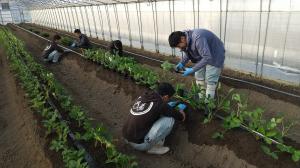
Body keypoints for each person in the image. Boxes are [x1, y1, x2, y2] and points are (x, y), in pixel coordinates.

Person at [168, 29, 225, 112]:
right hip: (203, 55)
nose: (179, 48)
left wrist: (193, 69)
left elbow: (207, 58)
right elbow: (189, 52)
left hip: (215, 54)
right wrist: (182, 63)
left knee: (210, 79)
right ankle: (202, 101)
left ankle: (208, 106)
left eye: (178, 46)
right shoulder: (185, 38)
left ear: (182, 39)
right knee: (199, 76)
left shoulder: (198, 38)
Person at [123, 83, 186, 155]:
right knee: (170, 120)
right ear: (165, 97)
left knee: (155, 115)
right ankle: (152, 147)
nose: (168, 100)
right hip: (139, 144)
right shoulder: (160, 104)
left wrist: (167, 107)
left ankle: (149, 142)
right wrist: (181, 113)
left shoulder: (144, 96)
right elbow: (180, 117)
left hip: (126, 136)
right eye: (169, 98)